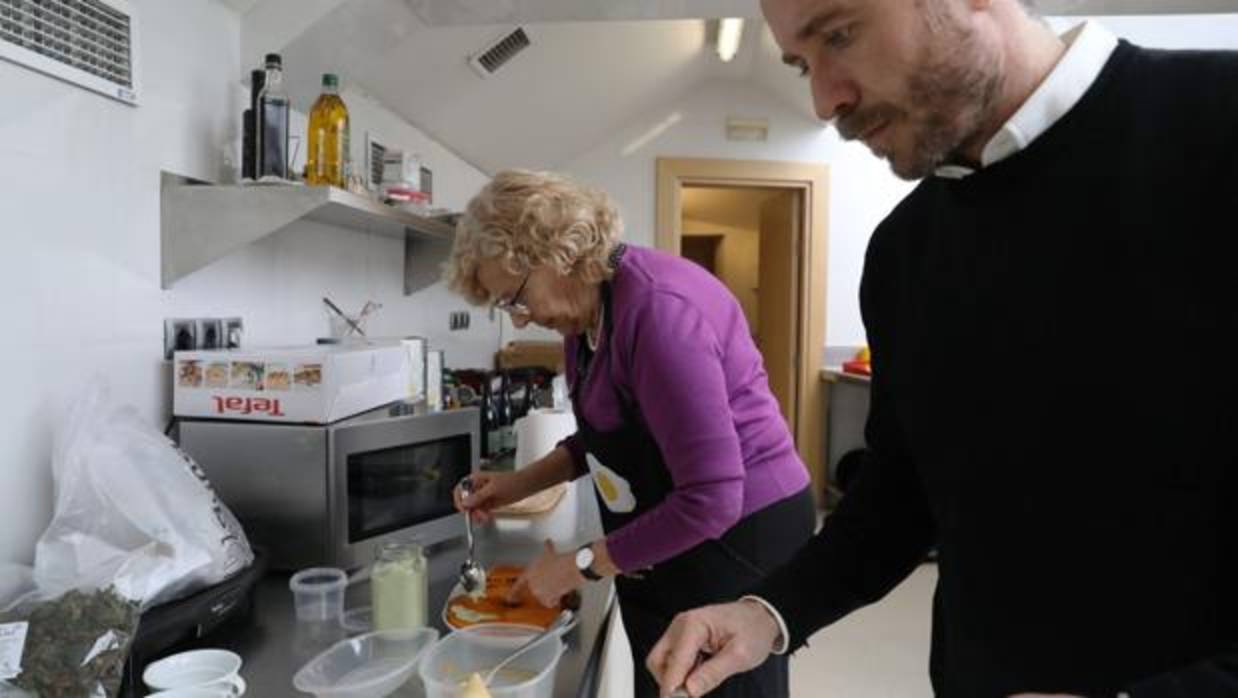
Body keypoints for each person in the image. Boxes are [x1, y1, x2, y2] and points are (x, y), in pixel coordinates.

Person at [648, 0, 1238, 696]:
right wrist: (770, 612)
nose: (824, 99)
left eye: (840, 34)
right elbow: (900, 498)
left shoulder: (1215, 126)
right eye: (803, 64)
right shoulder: (906, 249)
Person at [443, 169, 816, 696]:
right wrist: (515, 485)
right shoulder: (584, 320)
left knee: (708, 682)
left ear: (554, 253)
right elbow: (599, 438)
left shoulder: (660, 314)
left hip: (740, 529)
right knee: (662, 669)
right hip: (679, 518)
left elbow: (712, 497)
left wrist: (578, 565)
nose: (521, 321)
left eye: (515, 299)